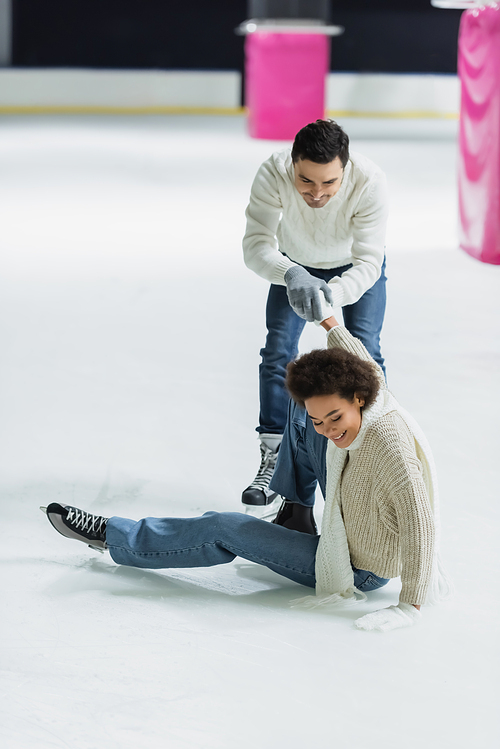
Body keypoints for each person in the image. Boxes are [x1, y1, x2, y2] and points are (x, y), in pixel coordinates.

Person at [41, 313, 451, 632]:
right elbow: (362, 360)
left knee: (226, 526)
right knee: (298, 406)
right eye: (321, 421)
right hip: (351, 505)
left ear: (360, 400)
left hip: (359, 565)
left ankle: (114, 535)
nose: (327, 429)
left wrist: (410, 606)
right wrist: (326, 319)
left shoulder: (391, 448)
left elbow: (421, 523)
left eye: (334, 417)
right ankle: (295, 511)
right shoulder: (370, 395)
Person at [241, 118, 389, 512]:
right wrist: (291, 274)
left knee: (364, 354)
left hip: (354, 270)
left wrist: (333, 294)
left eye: (329, 183)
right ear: (294, 165)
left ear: (345, 167)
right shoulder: (274, 172)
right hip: (293, 265)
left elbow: (371, 260)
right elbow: (255, 244)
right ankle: (273, 460)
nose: (318, 194)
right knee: (278, 352)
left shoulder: (369, 180)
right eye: (307, 181)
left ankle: (370, 457)